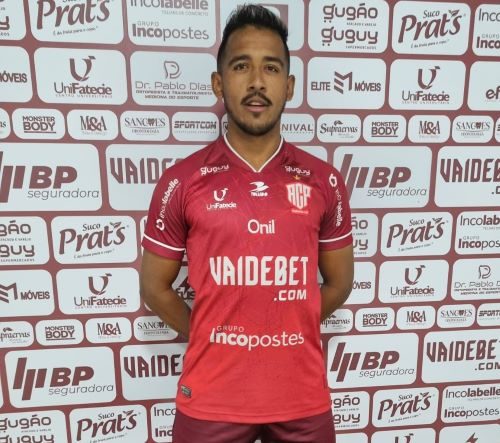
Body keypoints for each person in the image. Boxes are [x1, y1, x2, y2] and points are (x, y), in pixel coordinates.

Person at [140, 4, 354, 442]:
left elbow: (340, 282)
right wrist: (210, 331)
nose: (257, 82)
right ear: (219, 83)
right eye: (241, 66)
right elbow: (154, 288)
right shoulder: (181, 180)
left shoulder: (324, 179)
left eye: (271, 68)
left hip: (302, 398)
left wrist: (286, 322)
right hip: (211, 397)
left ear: (289, 85)